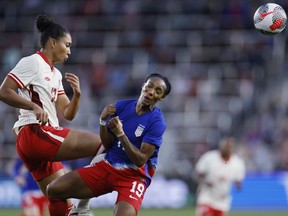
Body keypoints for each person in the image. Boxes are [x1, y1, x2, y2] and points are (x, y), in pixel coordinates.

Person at [0, 14, 104, 216]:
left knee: (60, 199)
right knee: (103, 144)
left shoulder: (55, 74)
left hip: (37, 141)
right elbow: (4, 91)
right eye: (67, 45)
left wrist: (78, 95)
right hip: (35, 132)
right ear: (53, 43)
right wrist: (33, 106)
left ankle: (76, 209)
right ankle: (84, 208)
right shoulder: (32, 62)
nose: (69, 51)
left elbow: (68, 113)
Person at [46, 73, 172, 216]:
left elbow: (140, 160)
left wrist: (121, 134)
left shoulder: (157, 122)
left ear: (161, 98)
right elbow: (108, 143)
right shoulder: (122, 107)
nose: (151, 92)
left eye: (158, 91)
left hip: (134, 177)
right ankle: (81, 210)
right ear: (143, 85)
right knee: (53, 190)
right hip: (108, 167)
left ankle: (82, 209)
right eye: (149, 86)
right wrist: (102, 121)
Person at [194, 137, 246, 216]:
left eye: (229, 147)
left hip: (223, 199)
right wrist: (205, 181)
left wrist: (238, 185)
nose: (227, 149)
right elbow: (198, 173)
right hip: (207, 196)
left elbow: (239, 182)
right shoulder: (210, 157)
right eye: (226, 146)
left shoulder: (237, 163)